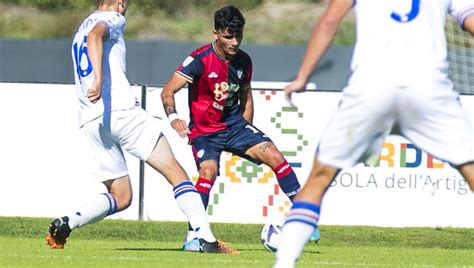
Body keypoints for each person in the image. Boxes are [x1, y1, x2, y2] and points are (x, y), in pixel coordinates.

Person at [274, 0, 474, 266]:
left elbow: (329, 20)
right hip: (428, 88)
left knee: (319, 178)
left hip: (371, 86)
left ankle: (284, 263)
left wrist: (302, 76)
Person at [46, 0, 237, 254]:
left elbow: (90, 35)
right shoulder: (113, 18)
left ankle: (67, 223)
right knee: (176, 172)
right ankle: (204, 238)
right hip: (122, 113)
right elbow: (97, 35)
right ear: (120, 1)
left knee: (121, 196)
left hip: (92, 121)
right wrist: (100, 78)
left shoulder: (80, 28)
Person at [161, 5, 320, 252]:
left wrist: (248, 129)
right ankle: (194, 236)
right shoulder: (199, 60)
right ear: (215, 33)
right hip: (205, 132)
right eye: (228, 36)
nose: (234, 42)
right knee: (208, 172)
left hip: (235, 126)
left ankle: (303, 219)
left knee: (274, 155)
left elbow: (246, 96)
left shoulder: (244, 61)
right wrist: (173, 117)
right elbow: (168, 91)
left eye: (238, 36)